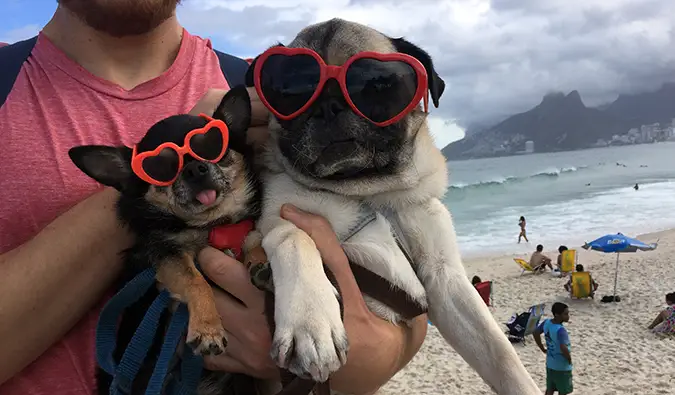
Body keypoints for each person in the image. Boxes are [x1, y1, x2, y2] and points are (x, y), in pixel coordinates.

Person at [0, 1, 427, 394]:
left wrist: (368, 354)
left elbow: (410, 286)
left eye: (212, 149)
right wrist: (142, 201)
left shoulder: (278, 90)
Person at [533, 302, 573, 395]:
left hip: (550, 364)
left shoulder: (547, 323)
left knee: (550, 389)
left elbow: (535, 333)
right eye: (565, 314)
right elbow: (563, 347)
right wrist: (569, 358)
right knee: (563, 391)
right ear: (557, 315)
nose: (568, 316)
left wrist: (542, 348)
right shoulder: (561, 330)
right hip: (562, 366)